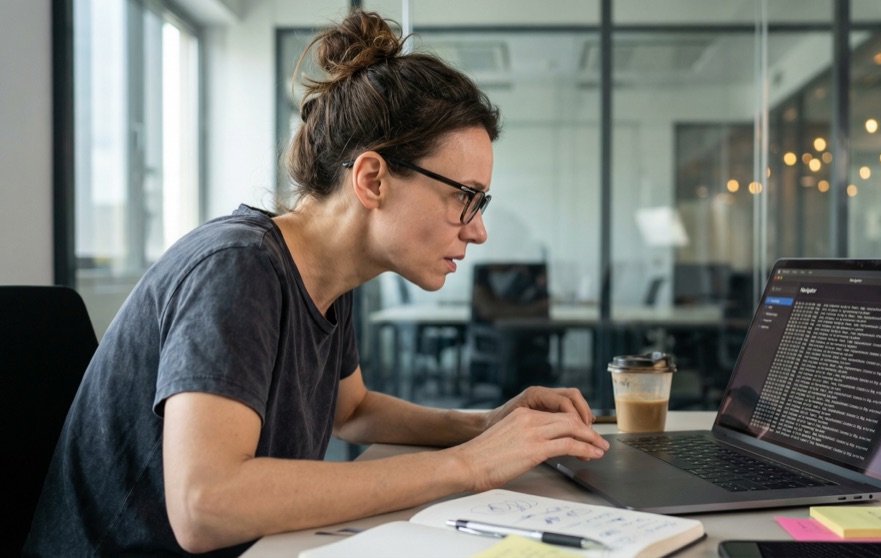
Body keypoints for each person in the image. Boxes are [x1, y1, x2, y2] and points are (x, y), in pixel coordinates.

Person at [24, 9, 608, 557]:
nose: (478, 231)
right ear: (372, 178)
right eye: (465, 198)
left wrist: (483, 425)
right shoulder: (237, 269)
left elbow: (350, 412)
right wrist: (469, 464)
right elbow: (204, 504)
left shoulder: (328, 275)